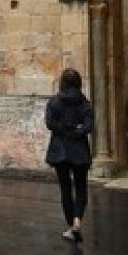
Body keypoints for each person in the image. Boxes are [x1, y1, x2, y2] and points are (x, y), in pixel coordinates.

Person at [45, 68, 95, 242]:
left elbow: (50, 123)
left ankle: (70, 226)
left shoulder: (54, 102)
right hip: (79, 149)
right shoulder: (84, 103)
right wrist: (76, 132)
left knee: (65, 188)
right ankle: (77, 221)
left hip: (60, 150)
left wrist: (64, 131)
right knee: (81, 187)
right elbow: (88, 126)